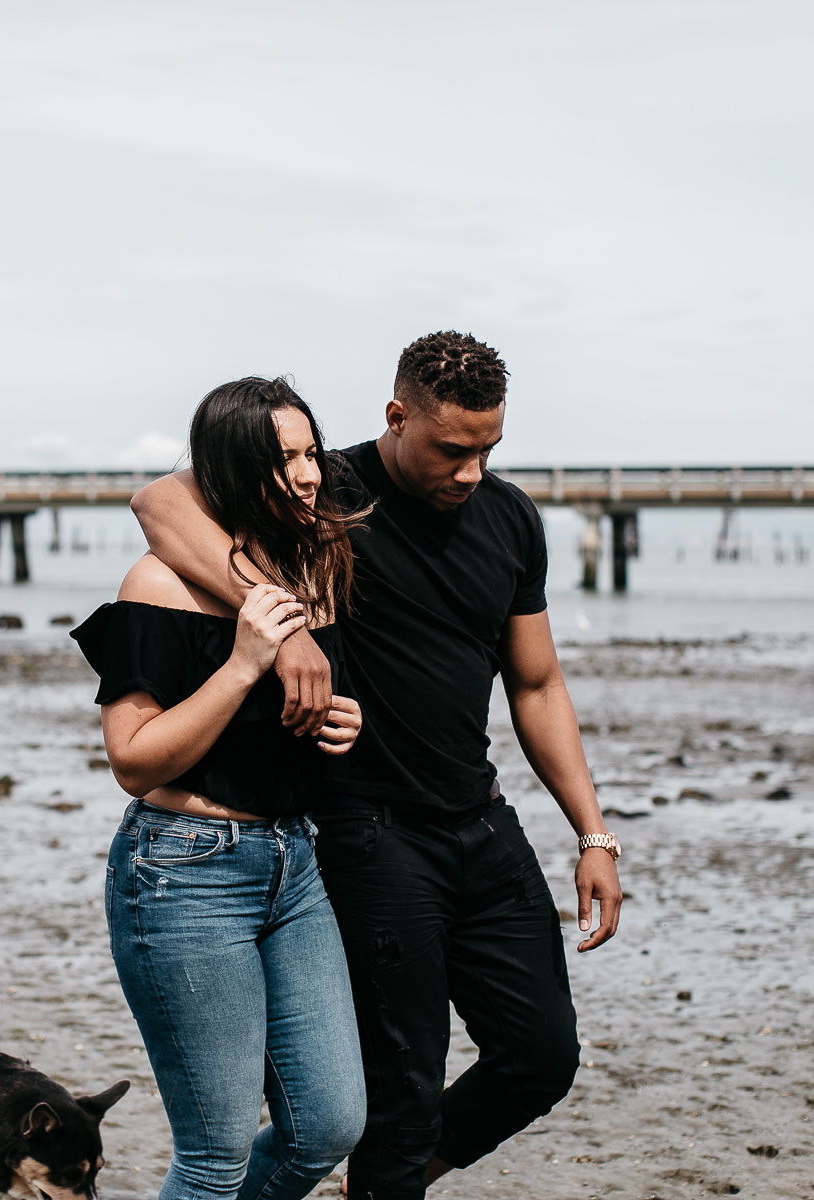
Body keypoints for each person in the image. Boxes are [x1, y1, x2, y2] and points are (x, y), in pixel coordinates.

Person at [132, 331, 622, 1200]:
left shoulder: (511, 519)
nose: (471, 470)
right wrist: (282, 631)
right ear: (397, 416)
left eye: (488, 449)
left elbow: (538, 685)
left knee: (541, 1057)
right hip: (369, 833)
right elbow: (159, 502)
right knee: (396, 1094)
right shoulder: (331, 489)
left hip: (479, 818)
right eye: (451, 448)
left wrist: (593, 833)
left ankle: (396, 1184)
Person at [70, 376, 369, 1200]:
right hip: (184, 872)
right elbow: (134, 760)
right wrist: (244, 665)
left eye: (312, 454)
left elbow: (287, 728)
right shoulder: (157, 585)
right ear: (234, 472)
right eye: (287, 461)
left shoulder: (312, 569)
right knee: (215, 1152)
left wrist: (334, 725)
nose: (311, 475)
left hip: (292, 863)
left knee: (328, 1126)